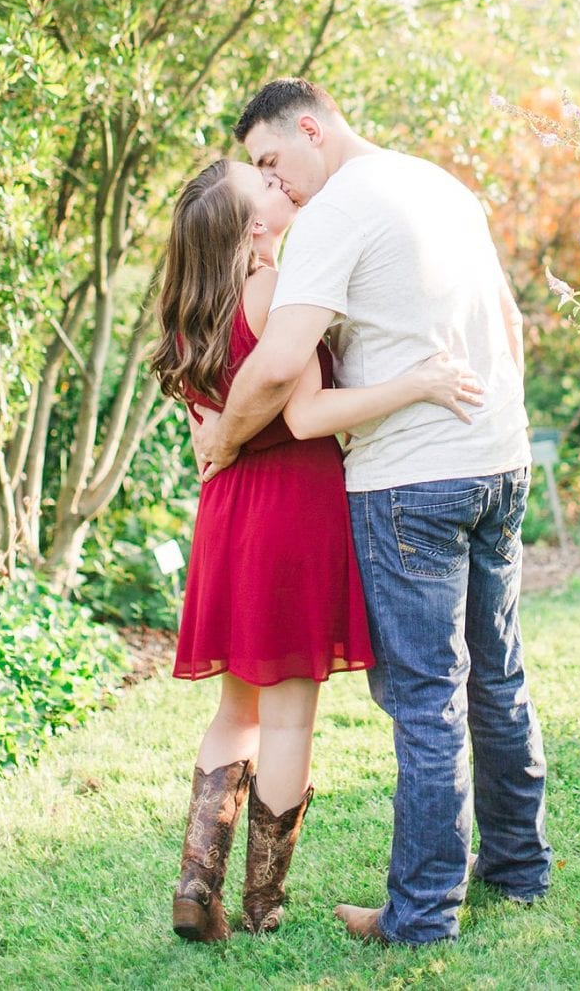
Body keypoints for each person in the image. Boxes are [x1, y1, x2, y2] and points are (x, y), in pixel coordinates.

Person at [196, 76, 551, 945]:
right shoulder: (439, 183)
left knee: (427, 698)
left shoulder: (337, 212)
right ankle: (517, 869)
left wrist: (227, 441)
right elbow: (508, 324)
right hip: (497, 458)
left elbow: (280, 367)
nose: (276, 185)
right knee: (496, 680)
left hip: (411, 484)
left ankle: (423, 915)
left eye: (275, 161)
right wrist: (495, 429)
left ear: (311, 129)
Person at [151, 157, 485, 941]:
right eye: (262, 185)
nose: (281, 186)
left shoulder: (188, 312)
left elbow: (204, 427)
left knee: (236, 708)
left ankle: (197, 885)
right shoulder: (273, 292)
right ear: (254, 228)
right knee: (290, 717)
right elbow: (308, 414)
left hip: (227, 513)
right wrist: (418, 380)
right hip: (292, 508)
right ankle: (263, 905)